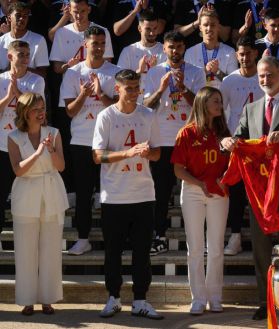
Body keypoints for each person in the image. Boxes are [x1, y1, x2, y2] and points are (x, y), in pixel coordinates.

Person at [220, 56, 279, 321]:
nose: (265, 80)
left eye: (269, 75)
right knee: (261, 251)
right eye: (261, 76)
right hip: (258, 193)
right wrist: (227, 142)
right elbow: (239, 138)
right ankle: (266, 301)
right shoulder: (251, 108)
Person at [93, 69, 163, 320]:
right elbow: (97, 156)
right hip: (114, 195)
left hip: (144, 193)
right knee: (113, 251)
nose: (134, 93)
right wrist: (128, 153)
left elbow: (157, 153)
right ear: (117, 89)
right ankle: (113, 298)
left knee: (142, 252)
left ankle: (140, 300)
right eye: (129, 88)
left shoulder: (148, 114)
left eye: (136, 87)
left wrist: (147, 153)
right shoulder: (106, 116)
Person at [144, 31, 206, 256]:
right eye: (171, 47)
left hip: (189, 140)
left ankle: (198, 238)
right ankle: (158, 236)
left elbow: (201, 106)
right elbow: (147, 106)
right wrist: (161, 89)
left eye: (179, 47)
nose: (175, 51)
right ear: (164, 48)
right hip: (162, 139)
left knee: (194, 190)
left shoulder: (196, 73)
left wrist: (183, 89)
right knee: (160, 192)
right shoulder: (153, 73)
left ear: (184, 49)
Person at [60, 25, 120, 256]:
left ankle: (113, 239)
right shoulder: (73, 73)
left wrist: (100, 93)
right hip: (82, 141)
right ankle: (83, 238)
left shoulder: (115, 71)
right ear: (85, 44)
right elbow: (69, 112)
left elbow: (118, 108)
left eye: (102, 43)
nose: (99, 48)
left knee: (110, 193)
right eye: (94, 43)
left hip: (108, 141)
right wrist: (85, 94)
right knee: (84, 194)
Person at [171, 86, 230, 315]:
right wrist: (199, 183)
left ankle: (215, 297)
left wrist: (226, 178)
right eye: (215, 101)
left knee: (215, 248)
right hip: (194, 192)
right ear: (203, 103)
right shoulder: (186, 133)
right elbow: (178, 170)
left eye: (220, 101)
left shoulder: (224, 132)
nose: (219, 105)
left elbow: (234, 164)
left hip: (219, 193)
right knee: (195, 248)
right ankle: (198, 298)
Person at [7, 92, 68, 315]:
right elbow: (18, 169)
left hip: (51, 192)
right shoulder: (13, 136)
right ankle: (27, 300)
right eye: (36, 109)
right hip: (25, 194)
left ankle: (48, 299)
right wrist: (39, 152)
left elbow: (61, 166)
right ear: (25, 112)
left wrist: (50, 150)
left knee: (51, 249)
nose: (41, 112)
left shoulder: (54, 133)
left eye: (43, 108)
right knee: (25, 250)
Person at [219, 36, 263, 255]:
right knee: (235, 194)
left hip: (260, 147)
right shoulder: (229, 81)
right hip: (236, 146)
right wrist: (225, 138)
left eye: (248, 53)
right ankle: (235, 236)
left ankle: (263, 238)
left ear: (256, 53)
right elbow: (219, 113)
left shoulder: (264, 77)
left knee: (261, 192)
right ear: (236, 55)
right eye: (241, 54)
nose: (245, 58)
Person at [0, 40, 45, 252]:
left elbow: (36, 112)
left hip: (27, 146)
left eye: (28, 54)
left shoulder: (36, 81)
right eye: (21, 55)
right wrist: (8, 96)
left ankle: (31, 242)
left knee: (28, 196)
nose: (26, 58)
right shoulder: (0, 80)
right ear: (10, 57)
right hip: (2, 145)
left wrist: (17, 94)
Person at [49, 0, 114, 75]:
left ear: (89, 9)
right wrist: (69, 66)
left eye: (83, 11)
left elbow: (107, 62)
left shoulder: (103, 32)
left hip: (96, 83)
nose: (79, 16)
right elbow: (57, 68)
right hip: (70, 84)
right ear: (69, 10)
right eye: (76, 12)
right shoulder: (60, 33)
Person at [117, 9, 166, 104]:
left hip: (159, 105)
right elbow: (120, 82)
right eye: (148, 29)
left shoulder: (164, 50)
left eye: (155, 28)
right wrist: (139, 71)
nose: (152, 33)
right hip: (134, 104)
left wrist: (155, 70)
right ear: (139, 28)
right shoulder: (128, 51)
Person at [185, 8, 238, 90]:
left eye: (213, 25)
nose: (209, 28)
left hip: (221, 101)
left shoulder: (230, 52)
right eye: (205, 25)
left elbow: (234, 84)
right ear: (200, 28)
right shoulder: (190, 52)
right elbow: (187, 83)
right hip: (199, 100)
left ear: (218, 27)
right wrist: (204, 72)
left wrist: (217, 72)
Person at [0, 2, 49, 77]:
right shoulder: (1, 41)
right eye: (18, 15)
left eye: (25, 16)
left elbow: (43, 74)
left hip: (29, 87)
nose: (22, 18)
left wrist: (21, 67)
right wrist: (9, 70)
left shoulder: (38, 40)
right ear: (9, 17)